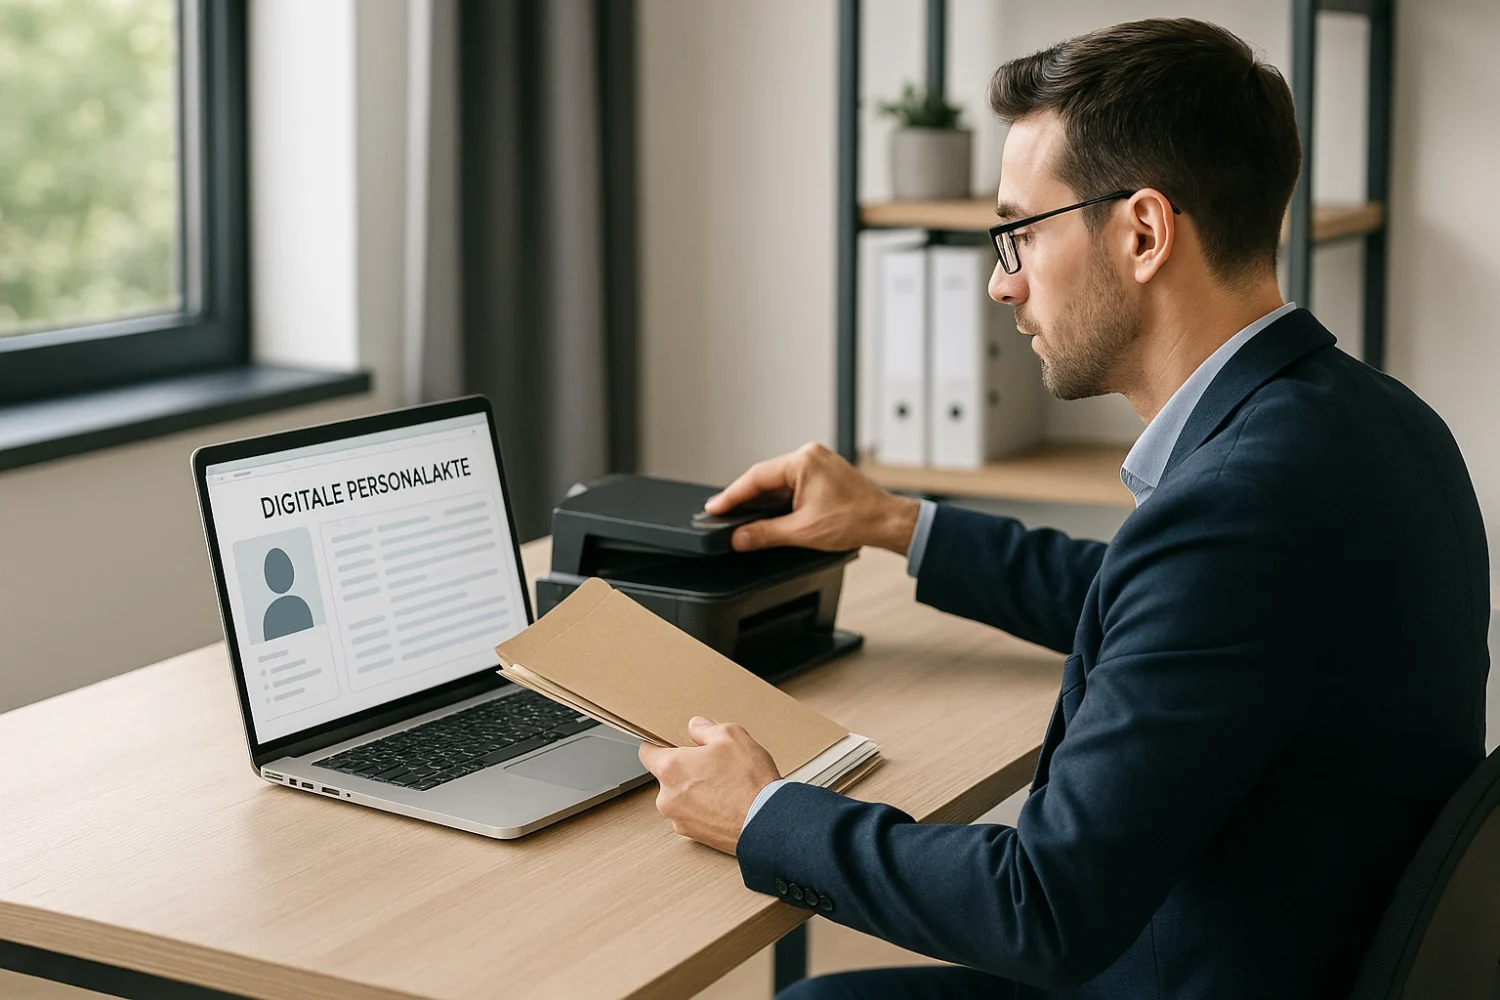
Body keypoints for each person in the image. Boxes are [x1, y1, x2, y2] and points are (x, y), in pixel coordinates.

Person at [635, 17, 1490, 1000]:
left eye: (1018, 234)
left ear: (1142, 232)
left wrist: (765, 812)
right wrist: (895, 523)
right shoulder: (1372, 424)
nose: (1002, 284)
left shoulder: (1237, 507)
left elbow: (1040, 907)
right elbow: (1168, 610)